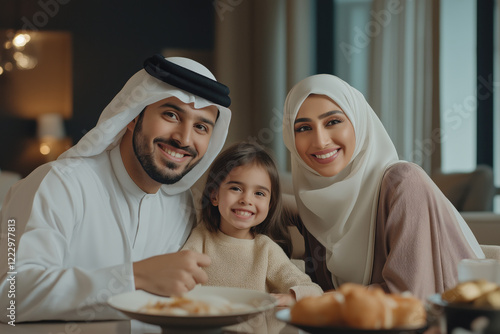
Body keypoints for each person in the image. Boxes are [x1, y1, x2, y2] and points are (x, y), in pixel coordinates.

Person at [0, 55, 232, 322]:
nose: (184, 138)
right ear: (133, 116)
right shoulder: (58, 184)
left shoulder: (183, 207)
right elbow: (9, 295)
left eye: (201, 127)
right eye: (171, 114)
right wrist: (136, 276)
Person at [282, 74, 484, 300]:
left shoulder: (405, 184)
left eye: (333, 122)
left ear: (358, 121)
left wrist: (312, 299)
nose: (320, 141)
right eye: (303, 128)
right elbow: (271, 204)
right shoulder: (313, 204)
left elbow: (408, 298)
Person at [182, 142, 323, 306]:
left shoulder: (265, 250)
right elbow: (182, 279)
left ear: (269, 205)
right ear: (214, 195)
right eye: (236, 188)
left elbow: (312, 290)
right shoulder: (201, 238)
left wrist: (290, 297)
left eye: (259, 193)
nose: (246, 200)